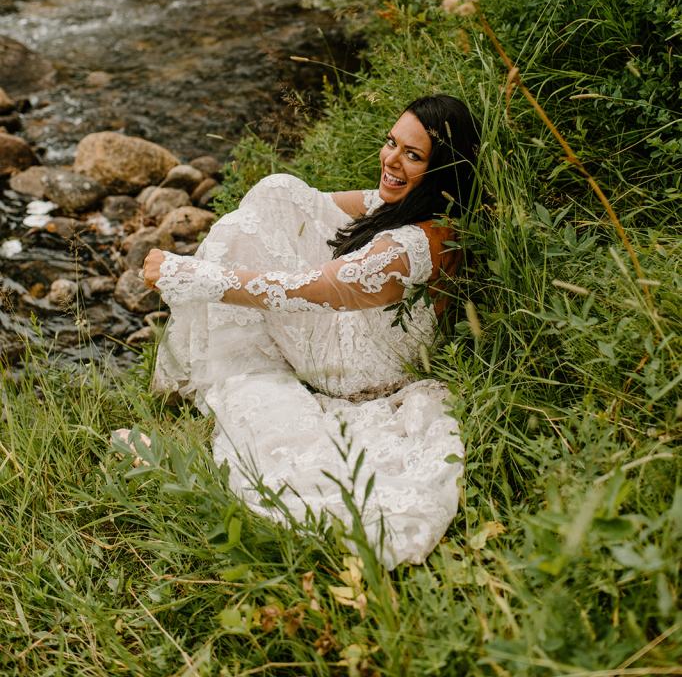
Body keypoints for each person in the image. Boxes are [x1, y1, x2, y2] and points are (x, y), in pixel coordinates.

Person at [142, 94, 479, 567]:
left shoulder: (409, 248)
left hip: (355, 368)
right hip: (371, 338)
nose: (391, 160)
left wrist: (191, 274)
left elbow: (311, 289)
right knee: (277, 192)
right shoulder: (426, 209)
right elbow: (312, 204)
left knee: (237, 241)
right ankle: (199, 346)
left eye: (412, 155)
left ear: (441, 168)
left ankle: (188, 368)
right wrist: (271, 211)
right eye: (391, 143)